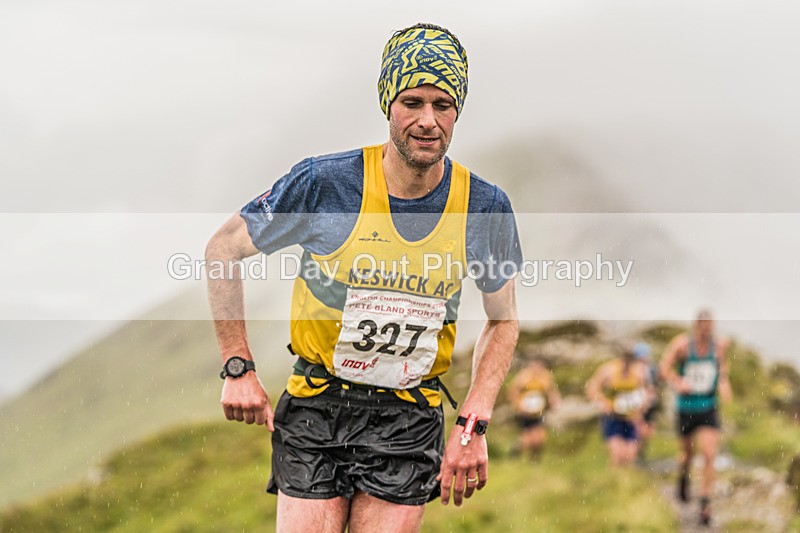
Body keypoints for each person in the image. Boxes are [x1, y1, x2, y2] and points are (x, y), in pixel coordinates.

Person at [205, 23, 522, 533]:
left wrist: (474, 421)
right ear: (387, 103)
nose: (427, 120)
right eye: (412, 101)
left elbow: (503, 321)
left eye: (442, 105)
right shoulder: (325, 184)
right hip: (317, 404)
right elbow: (223, 249)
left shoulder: (483, 207)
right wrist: (237, 366)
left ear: (457, 111)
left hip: (407, 415)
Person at [660, 310, 732, 526]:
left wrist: (723, 383)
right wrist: (677, 381)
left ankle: (705, 503)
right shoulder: (682, 345)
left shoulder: (718, 346)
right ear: (696, 325)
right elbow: (663, 367)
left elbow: (721, 367)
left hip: (708, 407)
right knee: (687, 454)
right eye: (704, 326)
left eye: (711, 326)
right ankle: (683, 478)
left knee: (709, 454)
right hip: (686, 407)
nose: (707, 330)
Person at [585, 345, 653, 467]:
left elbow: (649, 393)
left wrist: (641, 410)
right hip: (613, 417)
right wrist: (604, 402)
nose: (626, 365)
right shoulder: (608, 370)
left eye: (629, 361)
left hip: (631, 418)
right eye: (624, 360)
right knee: (617, 454)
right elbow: (592, 388)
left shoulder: (640, 372)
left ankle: (625, 483)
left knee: (630, 456)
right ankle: (613, 482)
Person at [507, 359, 560, 460]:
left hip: (539, 412)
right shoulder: (523, 376)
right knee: (529, 437)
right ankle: (521, 450)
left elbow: (552, 392)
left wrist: (553, 402)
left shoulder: (546, 377)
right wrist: (518, 406)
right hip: (525, 412)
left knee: (540, 437)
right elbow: (513, 392)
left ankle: (532, 455)